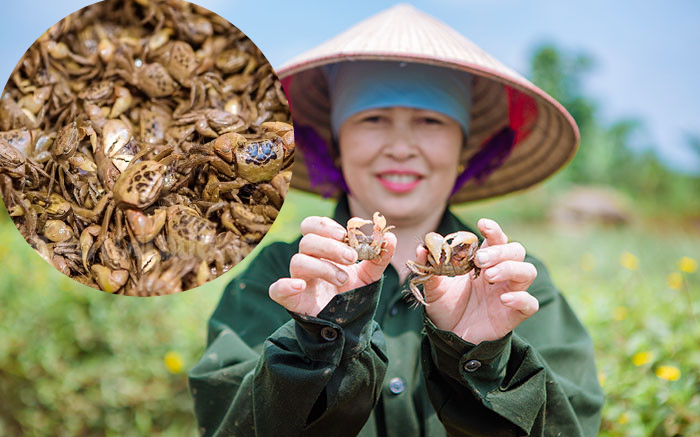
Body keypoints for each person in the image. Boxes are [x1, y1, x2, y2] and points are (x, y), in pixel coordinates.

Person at [188, 4, 604, 436]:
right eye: (373, 118)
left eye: (429, 120)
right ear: (333, 143)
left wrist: (485, 359)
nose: (401, 146)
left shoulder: (512, 286)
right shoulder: (279, 280)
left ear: (464, 150)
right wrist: (318, 343)